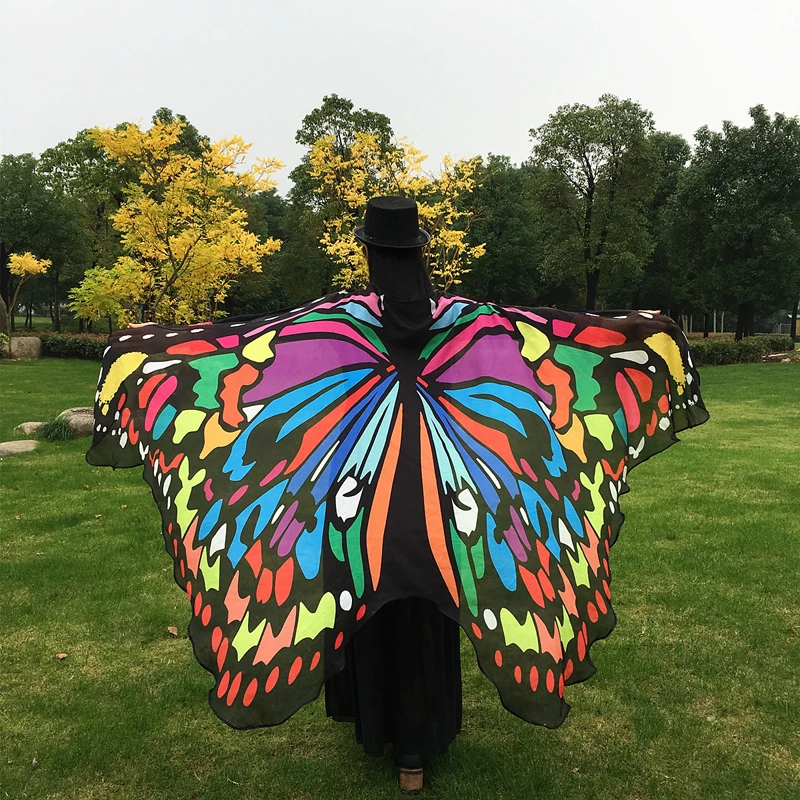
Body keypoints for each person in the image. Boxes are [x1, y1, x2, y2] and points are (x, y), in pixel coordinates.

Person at [87, 195, 709, 793]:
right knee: (430, 613)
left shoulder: (339, 318)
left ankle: (379, 732)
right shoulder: (462, 317)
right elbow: (543, 345)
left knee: (369, 604)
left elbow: (255, 346)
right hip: (450, 493)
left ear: (371, 254)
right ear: (420, 252)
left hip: (358, 504)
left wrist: (136, 355)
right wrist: (641, 337)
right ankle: (419, 751)